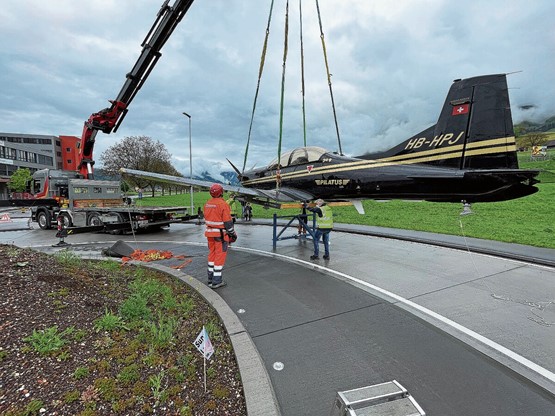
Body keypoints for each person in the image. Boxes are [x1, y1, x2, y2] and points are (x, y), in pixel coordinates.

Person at [203, 184, 237, 289]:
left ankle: (210, 279)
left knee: (211, 256)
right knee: (219, 257)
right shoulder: (223, 204)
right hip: (221, 235)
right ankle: (217, 281)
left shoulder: (207, 204)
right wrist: (233, 234)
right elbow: (228, 222)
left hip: (210, 234)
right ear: (221, 192)